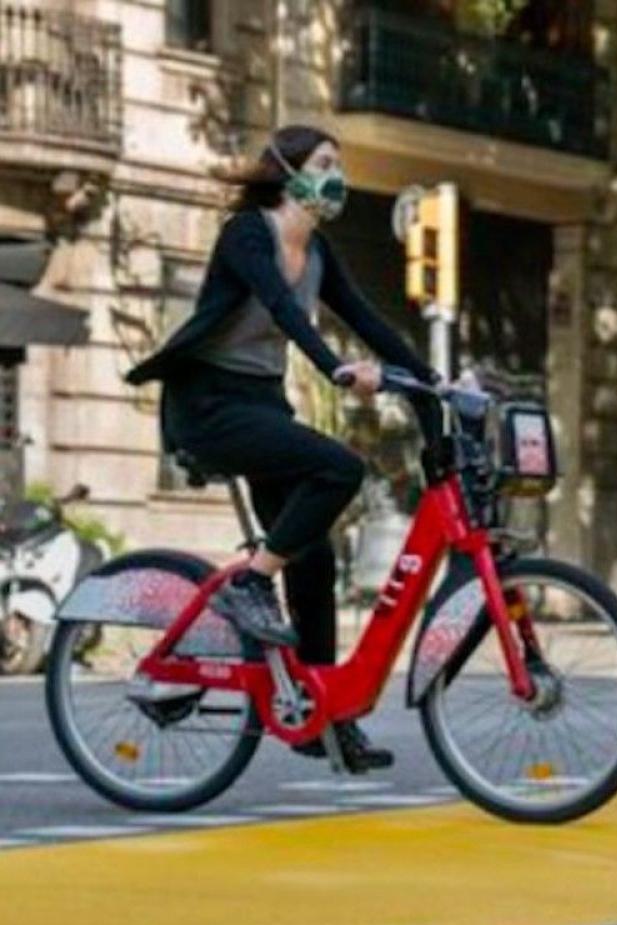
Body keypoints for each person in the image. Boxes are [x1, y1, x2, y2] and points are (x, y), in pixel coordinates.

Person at [125, 125, 438, 771]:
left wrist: (435, 383)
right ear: (287, 171)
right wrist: (334, 368)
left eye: (339, 165)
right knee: (339, 467)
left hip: (262, 406)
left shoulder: (317, 252)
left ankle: (322, 718)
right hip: (209, 406)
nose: (336, 177)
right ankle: (250, 583)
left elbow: (368, 320)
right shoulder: (250, 233)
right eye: (324, 163)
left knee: (315, 557)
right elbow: (281, 308)